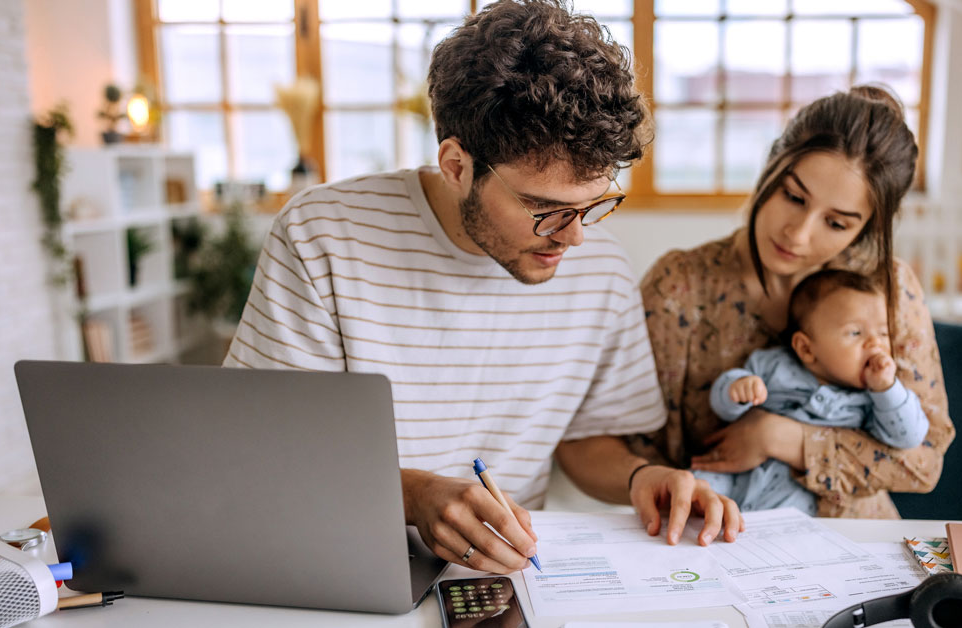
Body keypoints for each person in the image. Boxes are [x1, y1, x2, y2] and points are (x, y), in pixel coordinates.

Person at [223, 0, 742, 576]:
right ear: (455, 164)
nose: (574, 240)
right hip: (342, 559)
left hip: (508, 579)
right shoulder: (323, 234)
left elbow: (584, 441)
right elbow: (265, 451)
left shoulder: (601, 270)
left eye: (593, 205)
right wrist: (415, 496)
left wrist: (644, 477)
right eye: (544, 209)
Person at [629, 85, 956, 519]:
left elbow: (923, 460)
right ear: (770, 166)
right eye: (793, 197)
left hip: (855, 547)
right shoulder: (679, 286)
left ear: (866, 228)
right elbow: (633, 449)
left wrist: (779, 437)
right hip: (713, 537)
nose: (798, 234)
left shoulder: (889, 288)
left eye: (836, 223)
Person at [698, 269, 930, 513]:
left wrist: (886, 389)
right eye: (855, 333)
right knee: (697, 486)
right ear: (806, 349)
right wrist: (736, 390)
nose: (876, 343)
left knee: (788, 522)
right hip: (737, 474)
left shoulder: (873, 400)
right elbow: (723, 409)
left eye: (884, 333)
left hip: (795, 489)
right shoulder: (774, 365)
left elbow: (909, 437)